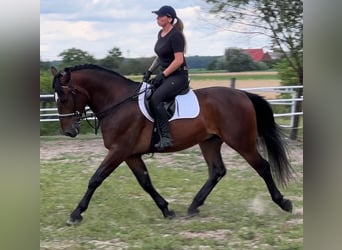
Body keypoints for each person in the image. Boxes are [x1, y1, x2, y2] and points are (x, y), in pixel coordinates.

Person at [143, 5, 189, 150]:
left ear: (169, 18)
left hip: (178, 76)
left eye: (160, 16)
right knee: (146, 94)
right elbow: (160, 57)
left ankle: (166, 137)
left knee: (156, 99)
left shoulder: (176, 35)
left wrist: (163, 75)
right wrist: (149, 71)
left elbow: (178, 60)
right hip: (166, 75)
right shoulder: (160, 33)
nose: (157, 18)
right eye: (157, 16)